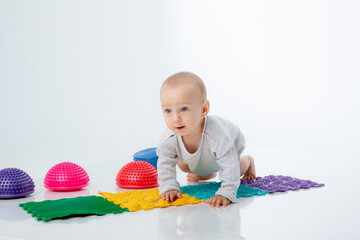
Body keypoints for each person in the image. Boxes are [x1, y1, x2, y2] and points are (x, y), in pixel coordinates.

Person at [155, 72, 256, 207]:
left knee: (235, 169)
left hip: (230, 145)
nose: (175, 119)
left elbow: (229, 167)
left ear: (204, 109)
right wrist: (169, 187)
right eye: (168, 111)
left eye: (184, 109)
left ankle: (248, 161)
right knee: (182, 165)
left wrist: (225, 193)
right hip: (205, 154)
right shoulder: (168, 138)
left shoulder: (218, 137)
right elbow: (165, 163)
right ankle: (205, 174)